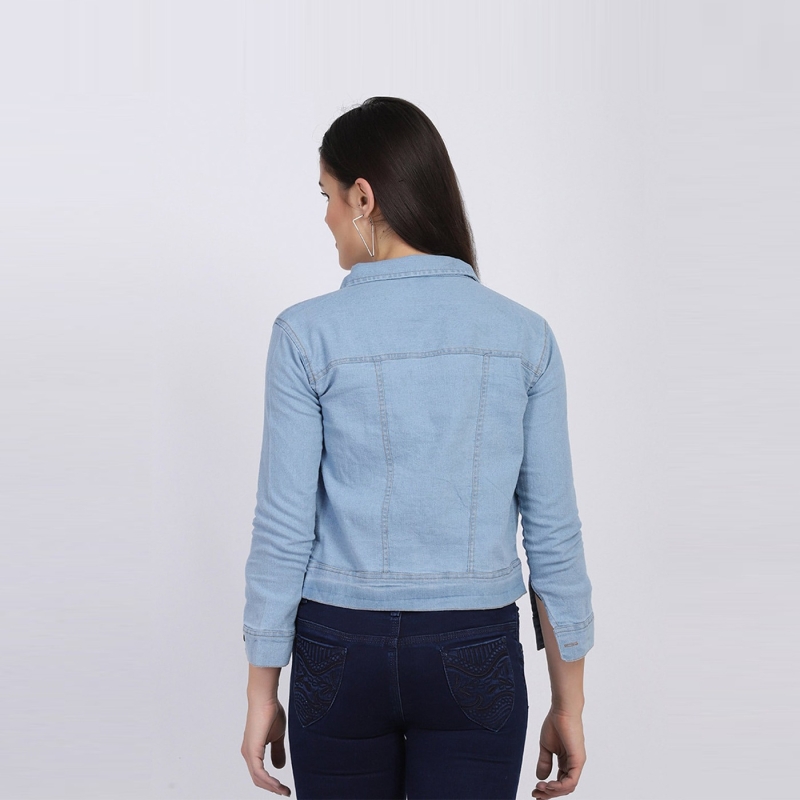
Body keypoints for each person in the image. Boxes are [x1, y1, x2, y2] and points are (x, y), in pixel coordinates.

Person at [240, 97, 594, 800]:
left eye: (327, 196)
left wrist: (260, 691)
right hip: (475, 648)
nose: (326, 218)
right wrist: (570, 703)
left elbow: (283, 528)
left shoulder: (306, 335)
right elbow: (553, 535)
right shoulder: (524, 337)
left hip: (337, 651)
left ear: (363, 197)